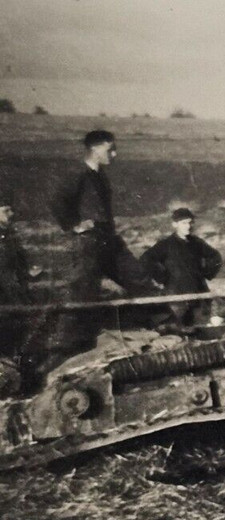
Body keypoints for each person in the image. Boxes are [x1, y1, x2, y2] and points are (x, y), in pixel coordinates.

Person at [47, 130, 157, 363]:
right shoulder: (78, 174)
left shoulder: (100, 176)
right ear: (95, 149)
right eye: (110, 149)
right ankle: (67, 350)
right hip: (88, 243)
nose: (114, 154)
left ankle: (156, 328)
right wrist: (74, 225)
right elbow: (57, 201)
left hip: (109, 240)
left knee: (138, 278)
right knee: (83, 292)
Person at [140, 208, 223, 331]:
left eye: (190, 222)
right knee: (180, 330)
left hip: (198, 292)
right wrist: (162, 277)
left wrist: (206, 273)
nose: (188, 226)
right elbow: (146, 259)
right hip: (176, 295)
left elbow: (215, 257)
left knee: (201, 329)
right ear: (175, 224)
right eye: (184, 223)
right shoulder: (166, 244)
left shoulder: (197, 243)